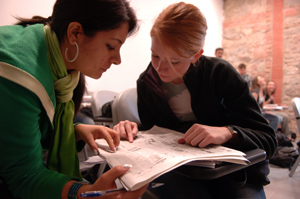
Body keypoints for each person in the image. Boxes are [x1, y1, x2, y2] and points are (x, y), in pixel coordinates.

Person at [114, 2, 277, 199]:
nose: (159, 68)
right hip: (182, 173)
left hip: (234, 174)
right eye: (154, 55)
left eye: (174, 61)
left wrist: (228, 132)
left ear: (196, 55)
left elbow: (268, 139)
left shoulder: (220, 74)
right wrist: (133, 130)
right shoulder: (147, 82)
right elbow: (154, 135)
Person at [0, 0, 148, 199]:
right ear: (75, 33)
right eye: (111, 46)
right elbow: (24, 178)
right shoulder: (18, 77)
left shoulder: (63, 69)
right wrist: (86, 193)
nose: (117, 60)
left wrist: (75, 131)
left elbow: (27, 133)